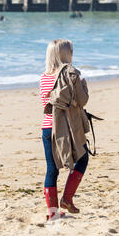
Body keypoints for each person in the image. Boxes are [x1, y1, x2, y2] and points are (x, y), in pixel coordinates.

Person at [40, 39, 90, 221]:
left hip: (47, 128)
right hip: (66, 128)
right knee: (82, 158)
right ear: (66, 54)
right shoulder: (71, 74)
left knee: (52, 169)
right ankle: (67, 199)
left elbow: (46, 103)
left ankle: (52, 213)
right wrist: (84, 87)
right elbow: (82, 101)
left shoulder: (44, 77)